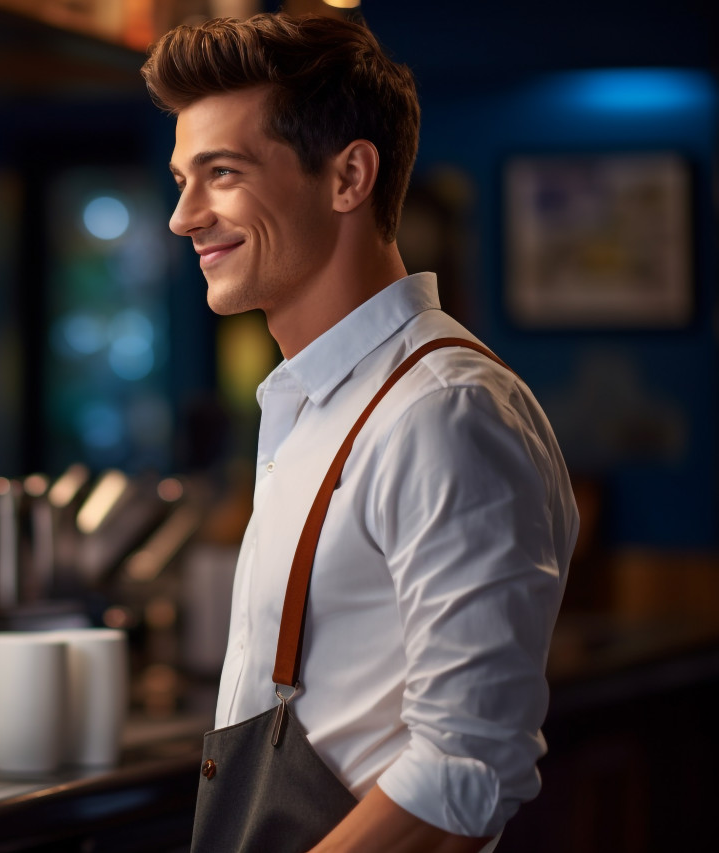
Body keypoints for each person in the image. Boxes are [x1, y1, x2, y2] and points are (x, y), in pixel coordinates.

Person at [142, 12, 578, 853]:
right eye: (180, 179)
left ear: (348, 176)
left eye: (221, 173)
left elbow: (466, 769)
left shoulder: (444, 410)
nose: (183, 216)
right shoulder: (316, 402)